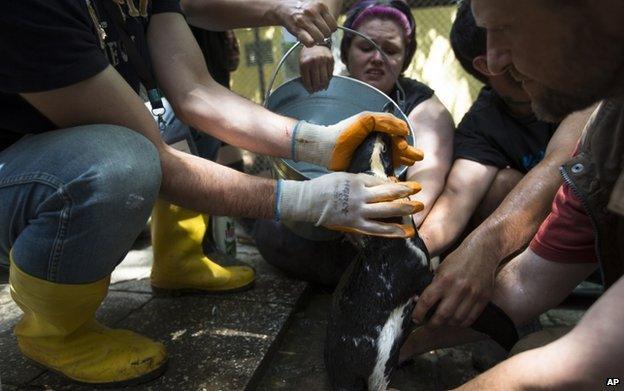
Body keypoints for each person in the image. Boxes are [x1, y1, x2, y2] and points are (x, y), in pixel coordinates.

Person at [0, 0, 423, 386]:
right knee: (124, 162)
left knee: (173, 123)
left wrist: (321, 141)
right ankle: (55, 331)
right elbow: (161, 162)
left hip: (59, 148)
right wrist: (308, 200)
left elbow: (196, 92)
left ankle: (179, 261)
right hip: (18, 169)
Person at [408, 0, 624, 387]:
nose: (494, 58)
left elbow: (591, 359)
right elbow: (526, 281)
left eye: (506, 27)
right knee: (530, 349)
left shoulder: (587, 106)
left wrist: (485, 245)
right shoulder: (609, 127)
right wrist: (401, 340)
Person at [251, 0, 455, 286]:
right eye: (366, 47)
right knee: (269, 224)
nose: (377, 57)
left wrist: (377, 221)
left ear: (405, 59)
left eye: (391, 49)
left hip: (377, 229)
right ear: (346, 52)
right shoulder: (328, 92)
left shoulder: (424, 108)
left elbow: (424, 188)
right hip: (319, 219)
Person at [417, 2, 589, 258]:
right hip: (545, 244)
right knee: (502, 184)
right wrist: (413, 250)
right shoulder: (482, 123)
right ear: (488, 63)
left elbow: (559, 161)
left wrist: (485, 247)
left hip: (594, 225)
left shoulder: (579, 81)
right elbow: (458, 193)